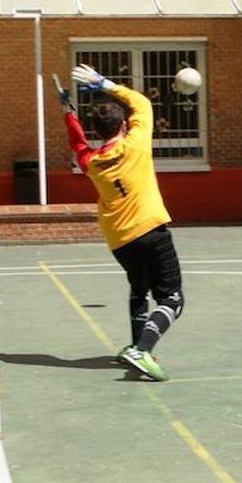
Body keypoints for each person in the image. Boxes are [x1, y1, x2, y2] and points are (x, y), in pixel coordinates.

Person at [59, 63, 185, 381]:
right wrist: (104, 83)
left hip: (119, 240)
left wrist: (69, 115)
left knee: (139, 291)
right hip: (150, 231)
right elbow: (142, 103)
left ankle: (134, 345)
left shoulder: (92, 162)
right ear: (124, 126)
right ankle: (141, 350)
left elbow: (77, 145)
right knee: (172, 299)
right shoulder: (136, 143)